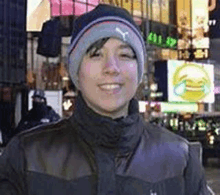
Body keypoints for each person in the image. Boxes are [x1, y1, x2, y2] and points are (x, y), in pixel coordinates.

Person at [0, 4, 213, 195]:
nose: (111, 68)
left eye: (125, 55)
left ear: (138, 71)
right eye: (95, 54)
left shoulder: (180, 160)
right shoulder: (26, 157)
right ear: (76, 72)